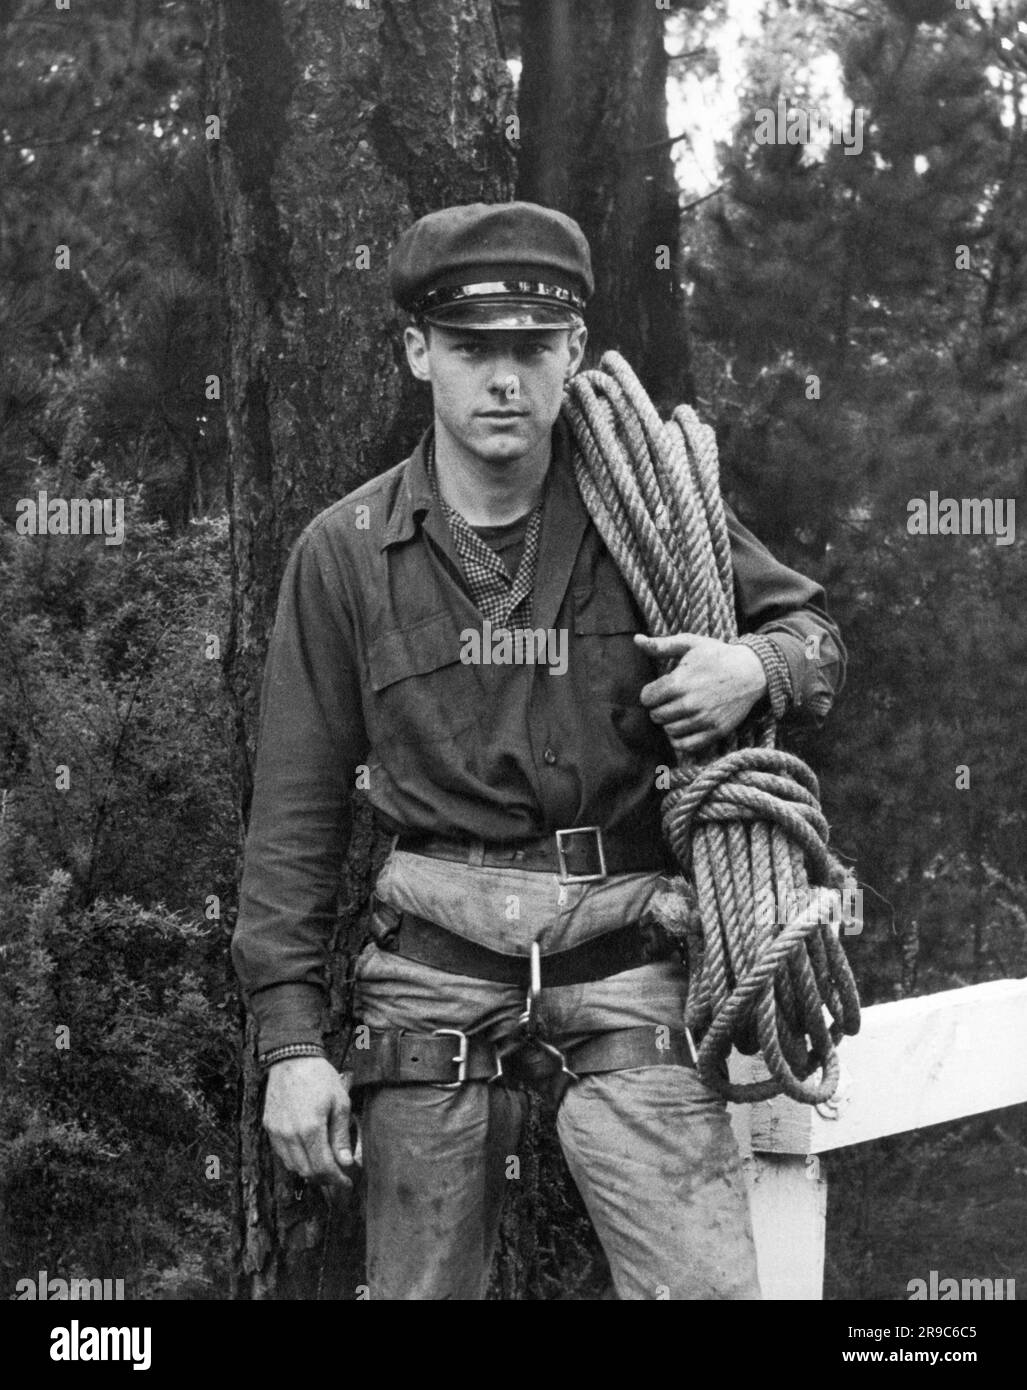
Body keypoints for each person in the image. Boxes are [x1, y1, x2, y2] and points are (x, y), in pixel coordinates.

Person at [231, 201, 846, 1300]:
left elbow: (813, 638)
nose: (502, 380)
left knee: (707, 1291)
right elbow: (294, 812)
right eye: (472, 348)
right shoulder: (344, 554)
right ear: (419, 352)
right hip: (431, 968)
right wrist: (288, 1043)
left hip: (628, 954)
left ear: (572, 350)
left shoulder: (648, 502)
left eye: (529, 348)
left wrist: (755, 671)